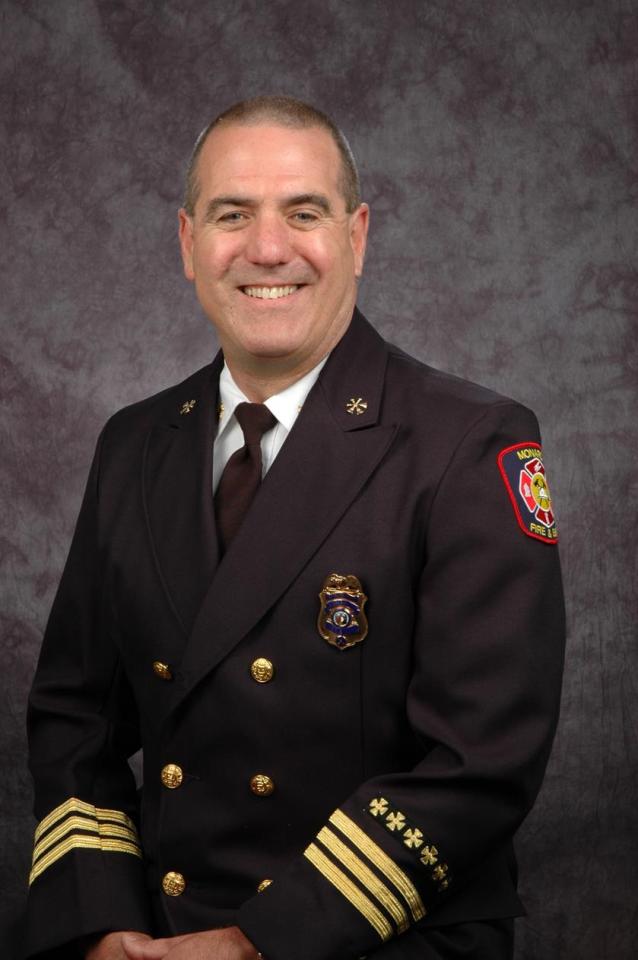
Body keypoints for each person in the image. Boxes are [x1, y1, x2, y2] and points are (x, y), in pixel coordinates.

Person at [24, 96, 565, 960]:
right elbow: (73, 719)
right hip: (156, 935)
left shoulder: (469, 443)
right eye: (231, 214)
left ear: (356, 237)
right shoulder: (134, 444)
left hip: (373, 937)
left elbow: (481, 764)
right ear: (188, 244)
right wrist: (103, 923)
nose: (268, 249)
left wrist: (255, 943)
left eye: (303, 213)